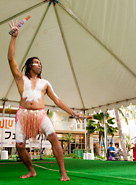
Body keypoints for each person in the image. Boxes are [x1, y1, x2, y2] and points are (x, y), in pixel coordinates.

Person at [8, 20, 81, 181]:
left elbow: (57, 100)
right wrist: (14, 37)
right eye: (36, 62)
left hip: (40, 115)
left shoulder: (45, 83)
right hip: (23, 114)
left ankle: (63, 172)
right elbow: (11, 59)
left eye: (41, 64)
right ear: (29, 65)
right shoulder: (21, 78)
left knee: (53, 137)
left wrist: (72, 113)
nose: (39, 65)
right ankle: (31, 170)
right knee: (19, 145)